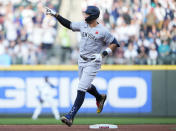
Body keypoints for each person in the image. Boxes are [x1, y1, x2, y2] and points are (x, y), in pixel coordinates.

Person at [45, 6, 120, 127]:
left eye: (87, 14)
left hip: (93, 62)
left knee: (81, 88)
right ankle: (99, 97)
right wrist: (56, 15)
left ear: (93, 16)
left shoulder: (102, 30)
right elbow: (68, 24)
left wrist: (104, 54)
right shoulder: (83, 25)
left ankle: (70, 116)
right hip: (81, 60)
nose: (84, 16)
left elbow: (115, 43)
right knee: (86, 85)